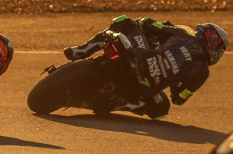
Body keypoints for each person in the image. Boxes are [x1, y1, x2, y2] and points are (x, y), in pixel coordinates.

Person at [62, 15, 228, 119]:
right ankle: (122, 104)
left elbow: (148, 23)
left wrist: (147, 27)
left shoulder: (181, 34)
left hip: (135, 60)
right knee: (162, 110)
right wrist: (173, 75)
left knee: (124, 22)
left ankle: (81, 51)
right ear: (213, 43)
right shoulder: (202, 72)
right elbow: (178, 98)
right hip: (145, 87)